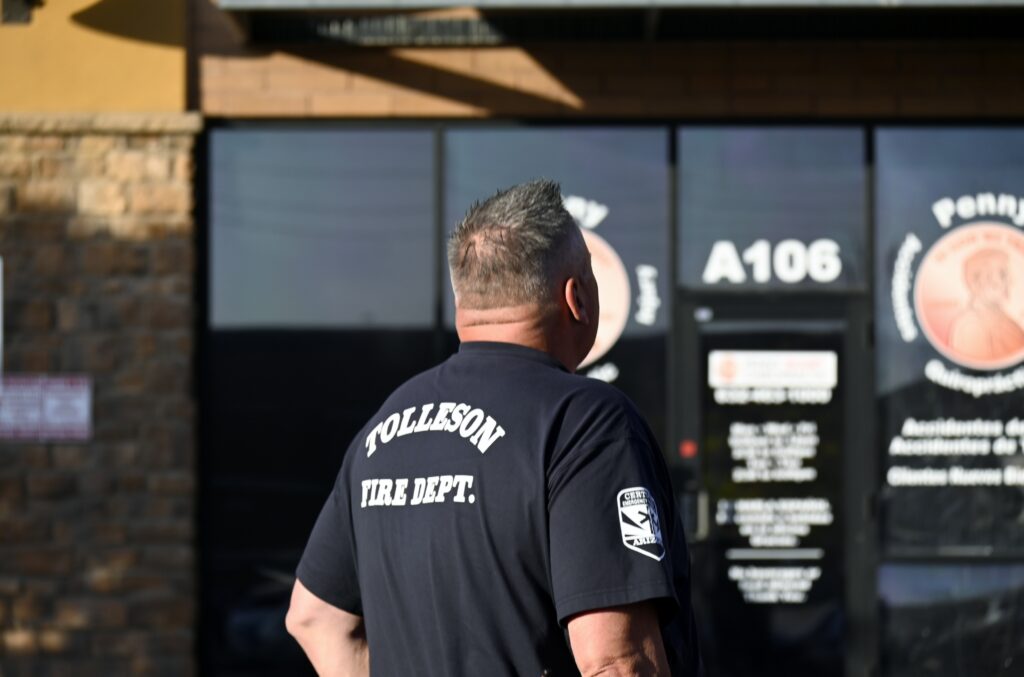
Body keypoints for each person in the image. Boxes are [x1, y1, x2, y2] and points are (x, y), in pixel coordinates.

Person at [286, 179, 703, 676]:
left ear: (466, 302)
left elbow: (315, 619)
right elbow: (617, 661)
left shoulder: (385, 427)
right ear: (576, 297)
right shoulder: (585, 422)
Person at [948, 248, 1024, 363]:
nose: (1010, 281)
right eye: (1003, 275)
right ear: (978, 283)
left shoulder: (1005, 320)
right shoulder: (970, 326)